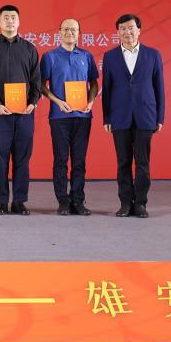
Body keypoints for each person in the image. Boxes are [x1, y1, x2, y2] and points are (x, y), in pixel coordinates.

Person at [0, 4, 42, 215]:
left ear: (19, 21)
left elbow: (36, 79)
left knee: (22, 157)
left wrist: (33, 102)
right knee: (0, 157)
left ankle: (19, 201)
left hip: (24, 113)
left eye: (13, 17)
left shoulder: (29, 49)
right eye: (5, 17)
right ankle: (1, 201)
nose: (10, 21)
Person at [101, 13, 165, 219]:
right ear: (117, 32)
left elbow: (159, 87)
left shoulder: (153, 54)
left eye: (130, 28)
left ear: (139, 30)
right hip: (119, 116)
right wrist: (107, 118)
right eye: (122, 29)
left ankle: (141, 204)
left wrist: (160, 117)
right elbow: (107, 89)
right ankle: (125, 203)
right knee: (123, 162)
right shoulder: (110, 56)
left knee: (143, 163)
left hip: (145, 115)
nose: (127, 32)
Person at [41, 18, 99, 216]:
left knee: (79, 161)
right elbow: (41, 85)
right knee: (61, 160)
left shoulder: (86, 56)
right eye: (66, 29)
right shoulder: (50, 56)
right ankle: (63, 201)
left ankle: (78, 201)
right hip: (59, 116)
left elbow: (94, 83)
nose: (70, 33)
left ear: (79, 33)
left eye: (74, 30)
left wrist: (90, 102)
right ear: (59, 32)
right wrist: (58, 102)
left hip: (83, 116)